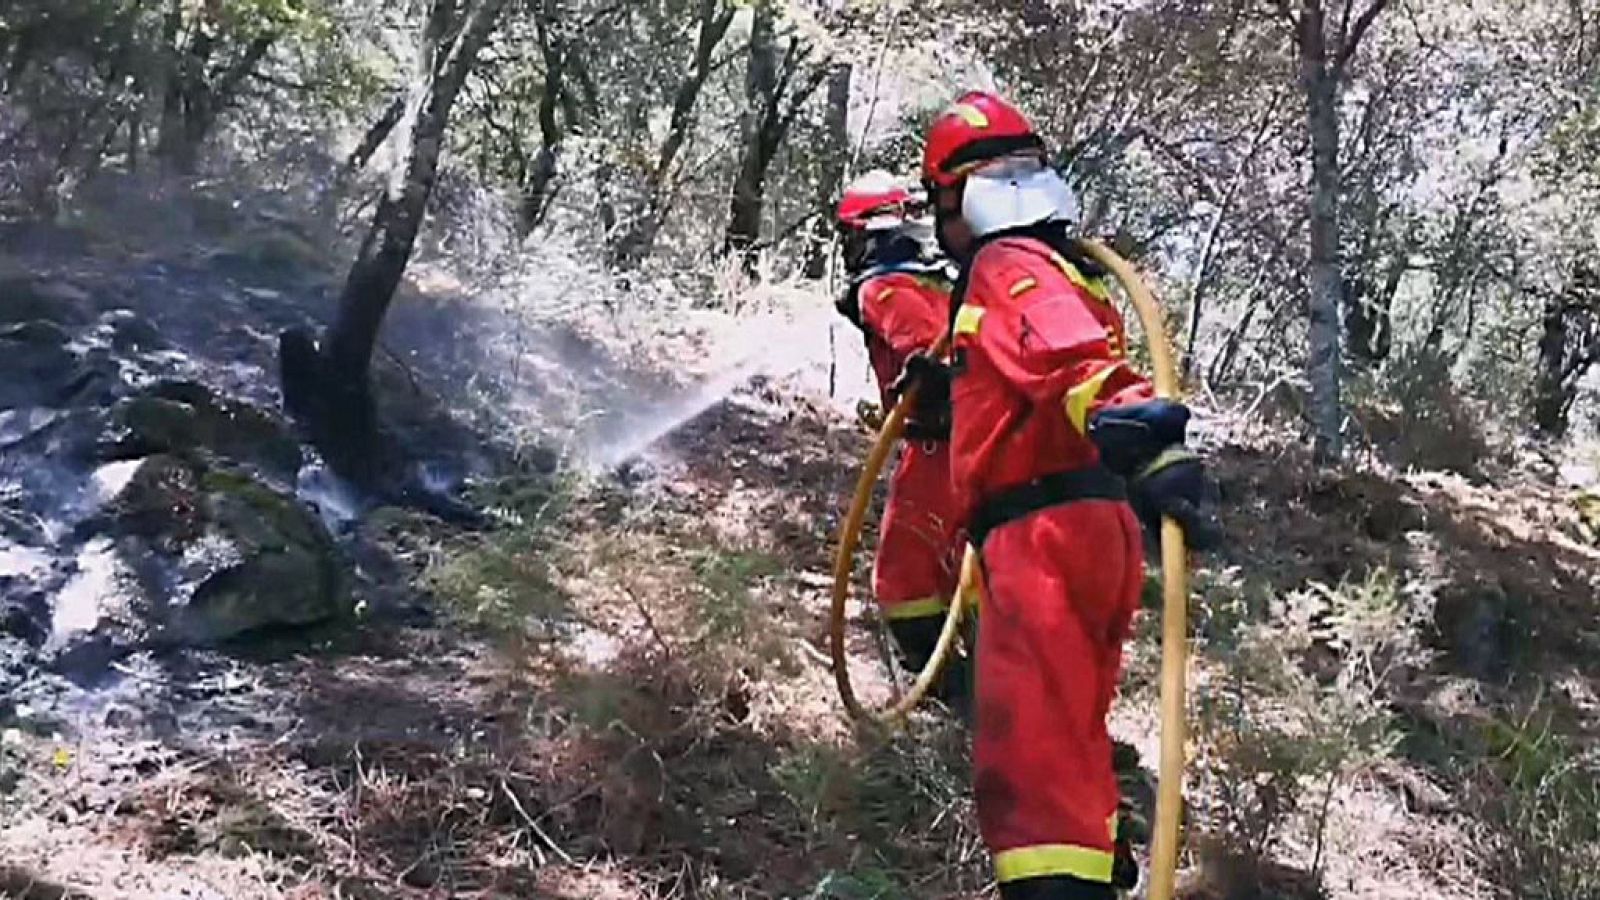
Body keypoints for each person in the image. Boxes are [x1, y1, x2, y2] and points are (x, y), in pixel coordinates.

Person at [914, 92, 1218, 899]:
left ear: (959, 196)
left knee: (1031, 760)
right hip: (1086, 527)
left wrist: (1138, 430)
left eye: (940, 204)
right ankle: (1096, 861)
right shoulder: (1058, 267)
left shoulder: (1005, 263)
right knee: (1068, 728)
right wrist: (948, 393)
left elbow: (1066, 358)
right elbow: (1023, 381)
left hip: (1041, 537)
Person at [833, 170, 971, 708]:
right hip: (980, 443)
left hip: (938, 448)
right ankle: (991, 677)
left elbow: (924, 352)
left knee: (903, 575)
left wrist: (927, 384)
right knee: (964, 562)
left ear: (866, 234)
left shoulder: (885, 288)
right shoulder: (940, 279)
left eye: (849, 237)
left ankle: (946, 690)